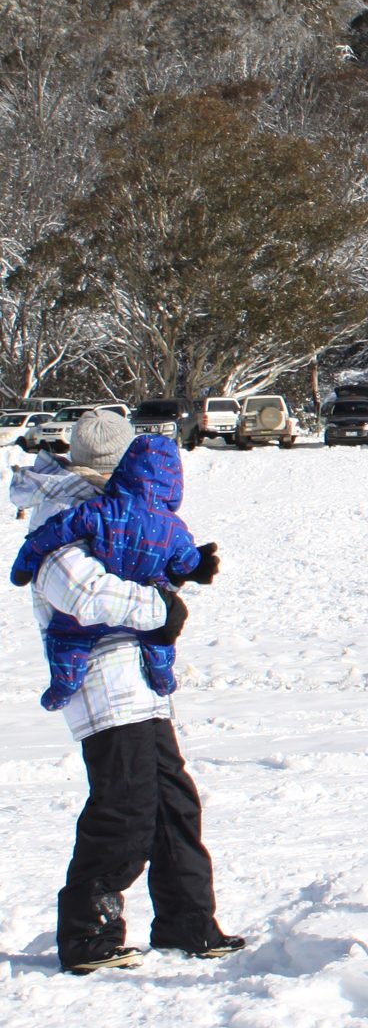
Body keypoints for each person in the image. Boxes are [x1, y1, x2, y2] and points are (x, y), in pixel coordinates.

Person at [9, 410, 241, 973]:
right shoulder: (64, 508)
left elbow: (142, 557)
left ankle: (187, 921)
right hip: (98, 678)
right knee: (124, 806)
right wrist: (158, 608)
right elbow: (77, 590)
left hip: (137, 678)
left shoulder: (118, 510)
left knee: (171, 803)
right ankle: (87, 933)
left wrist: (181, 570)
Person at [12, 433, 208, 709]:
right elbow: (82, 593)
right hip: (114, 693)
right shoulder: (173, 525)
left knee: (67, 637)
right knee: (158, 641)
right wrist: (184, 578)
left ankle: (63, 686)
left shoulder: (99, 509)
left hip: (102, 636)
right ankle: (163, 678)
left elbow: (57, 531)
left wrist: (25, 561)